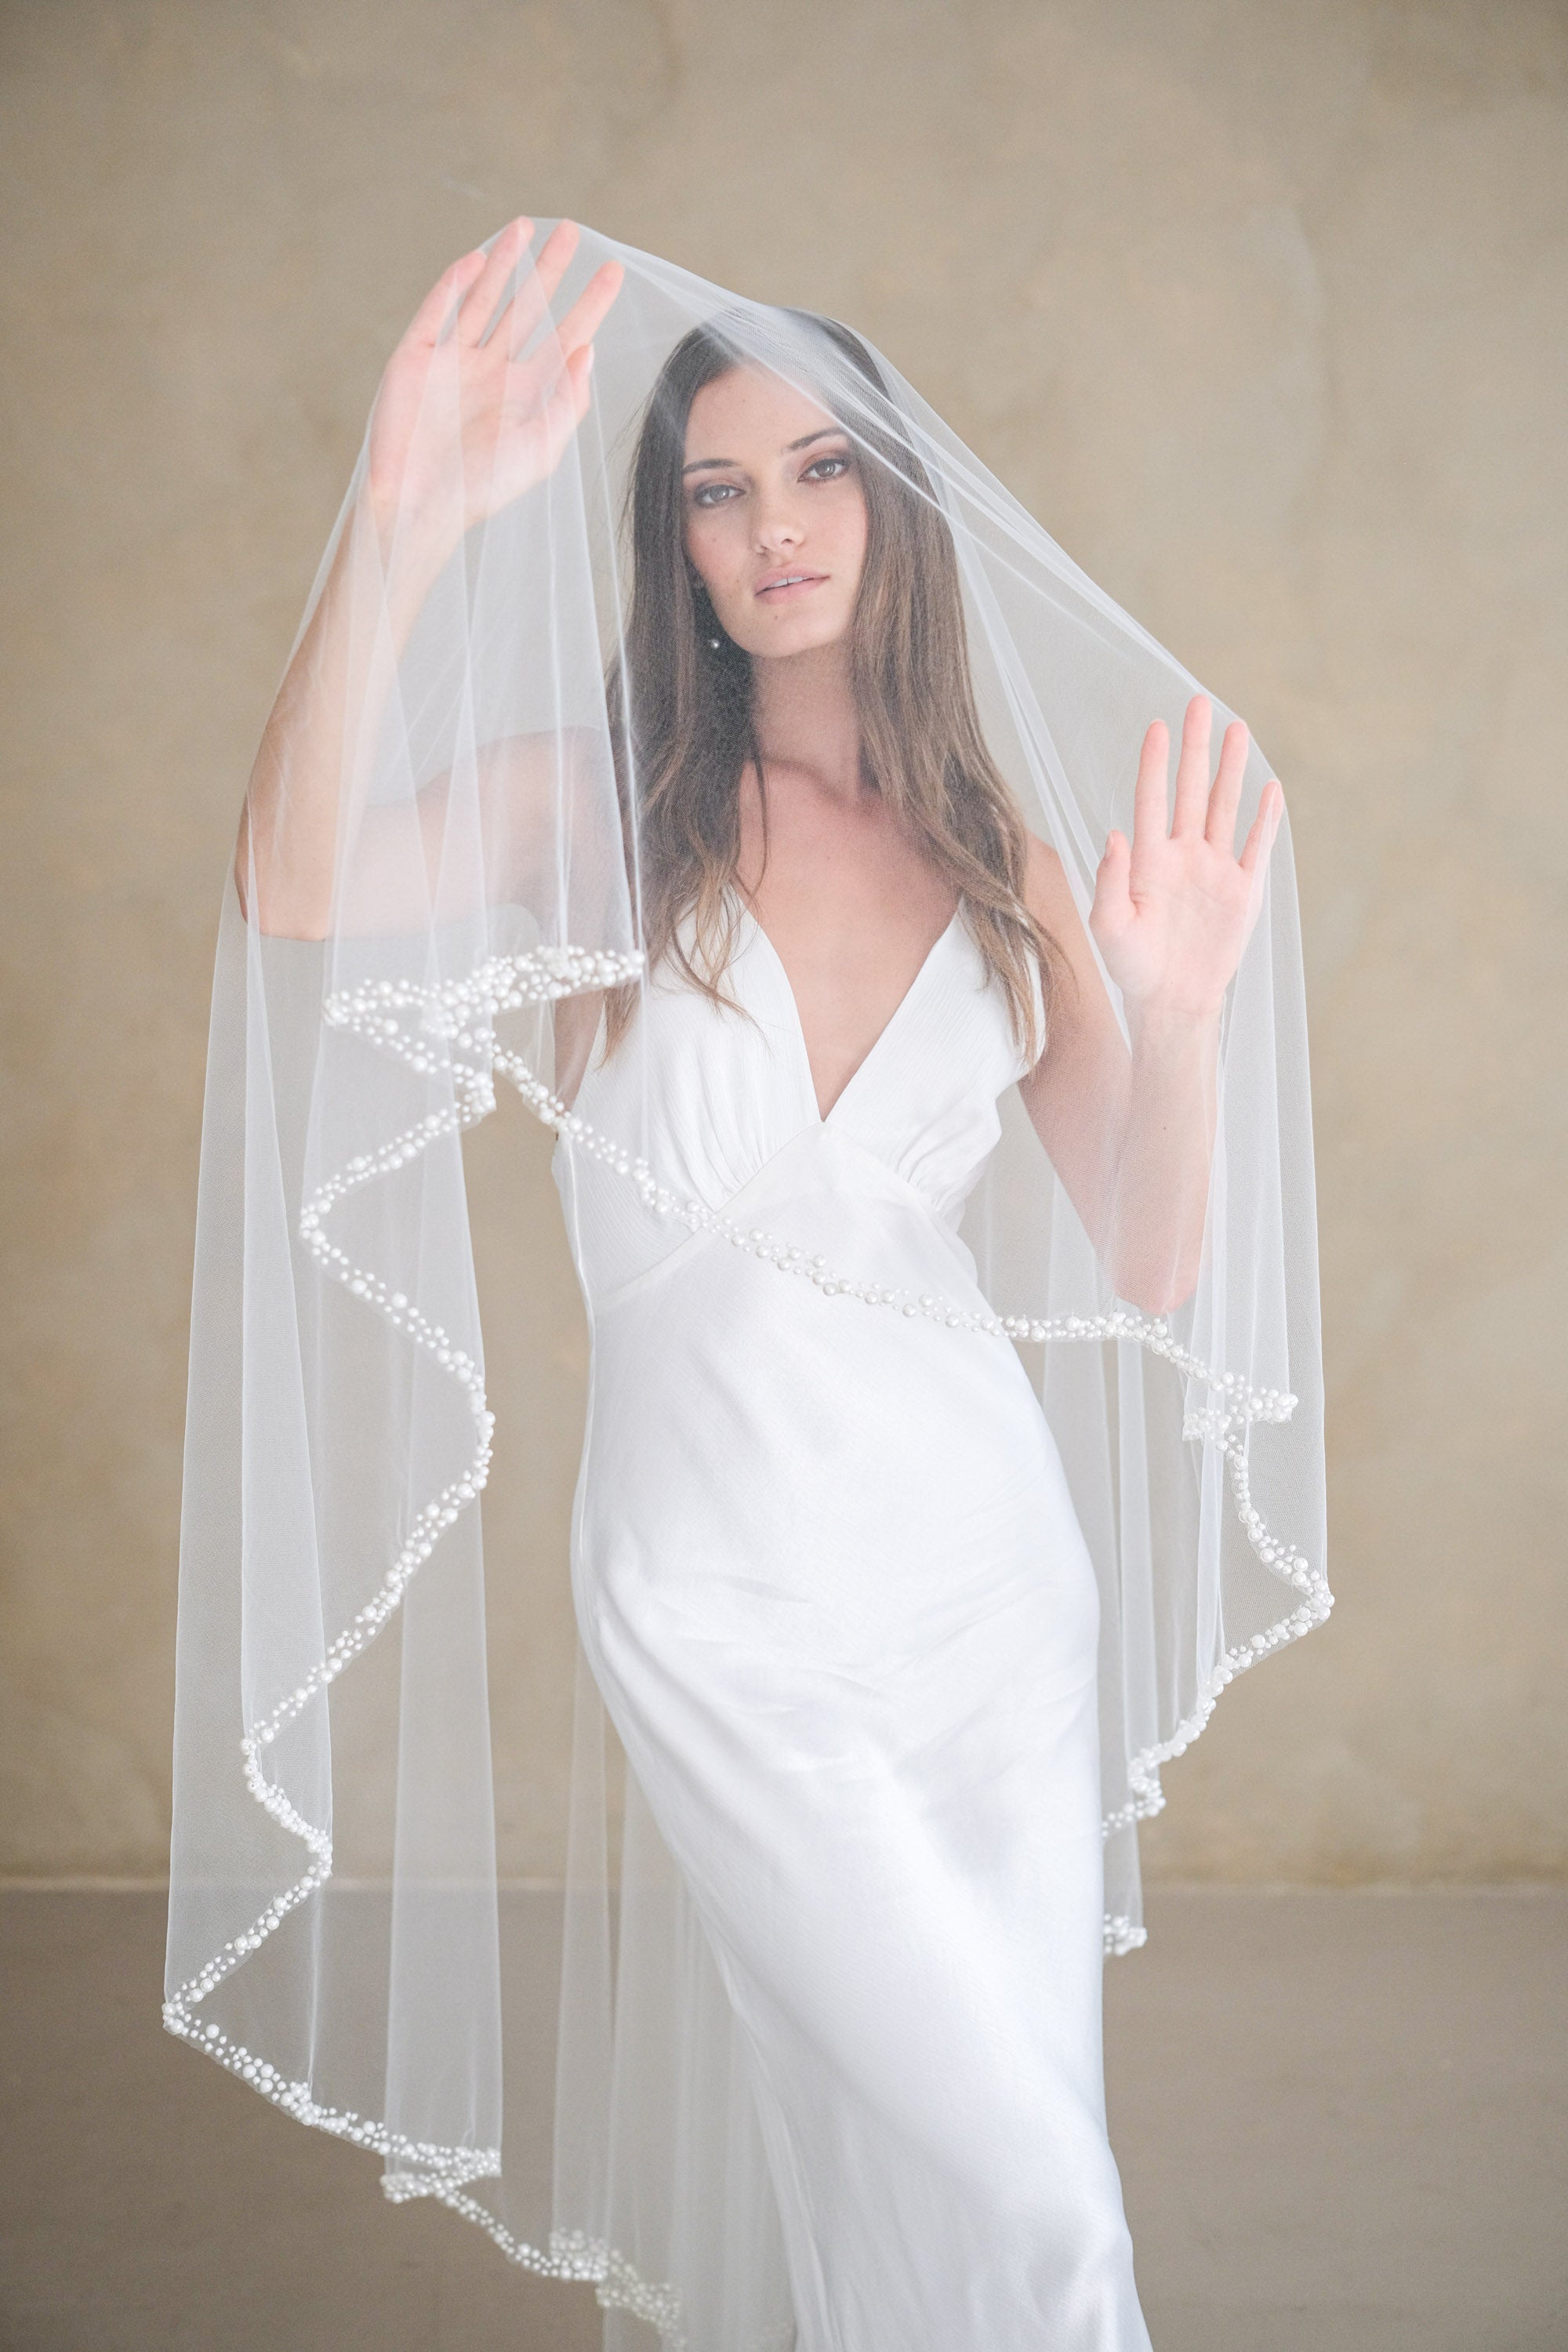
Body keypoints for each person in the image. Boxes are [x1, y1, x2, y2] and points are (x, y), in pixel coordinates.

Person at [167, 218, 1326, 2352]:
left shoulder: (1006, 869)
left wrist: (1183, 1020)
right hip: (714, 1601)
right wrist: (402, 522)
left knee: (942, 2186)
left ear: (896, 508)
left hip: (988, 1604)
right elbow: (292, 877)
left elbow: (1152, 1258)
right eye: (718, 489)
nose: (775, 526)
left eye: (818, 471)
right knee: (1040, 2209)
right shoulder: (605, 816)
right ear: (675, 543)